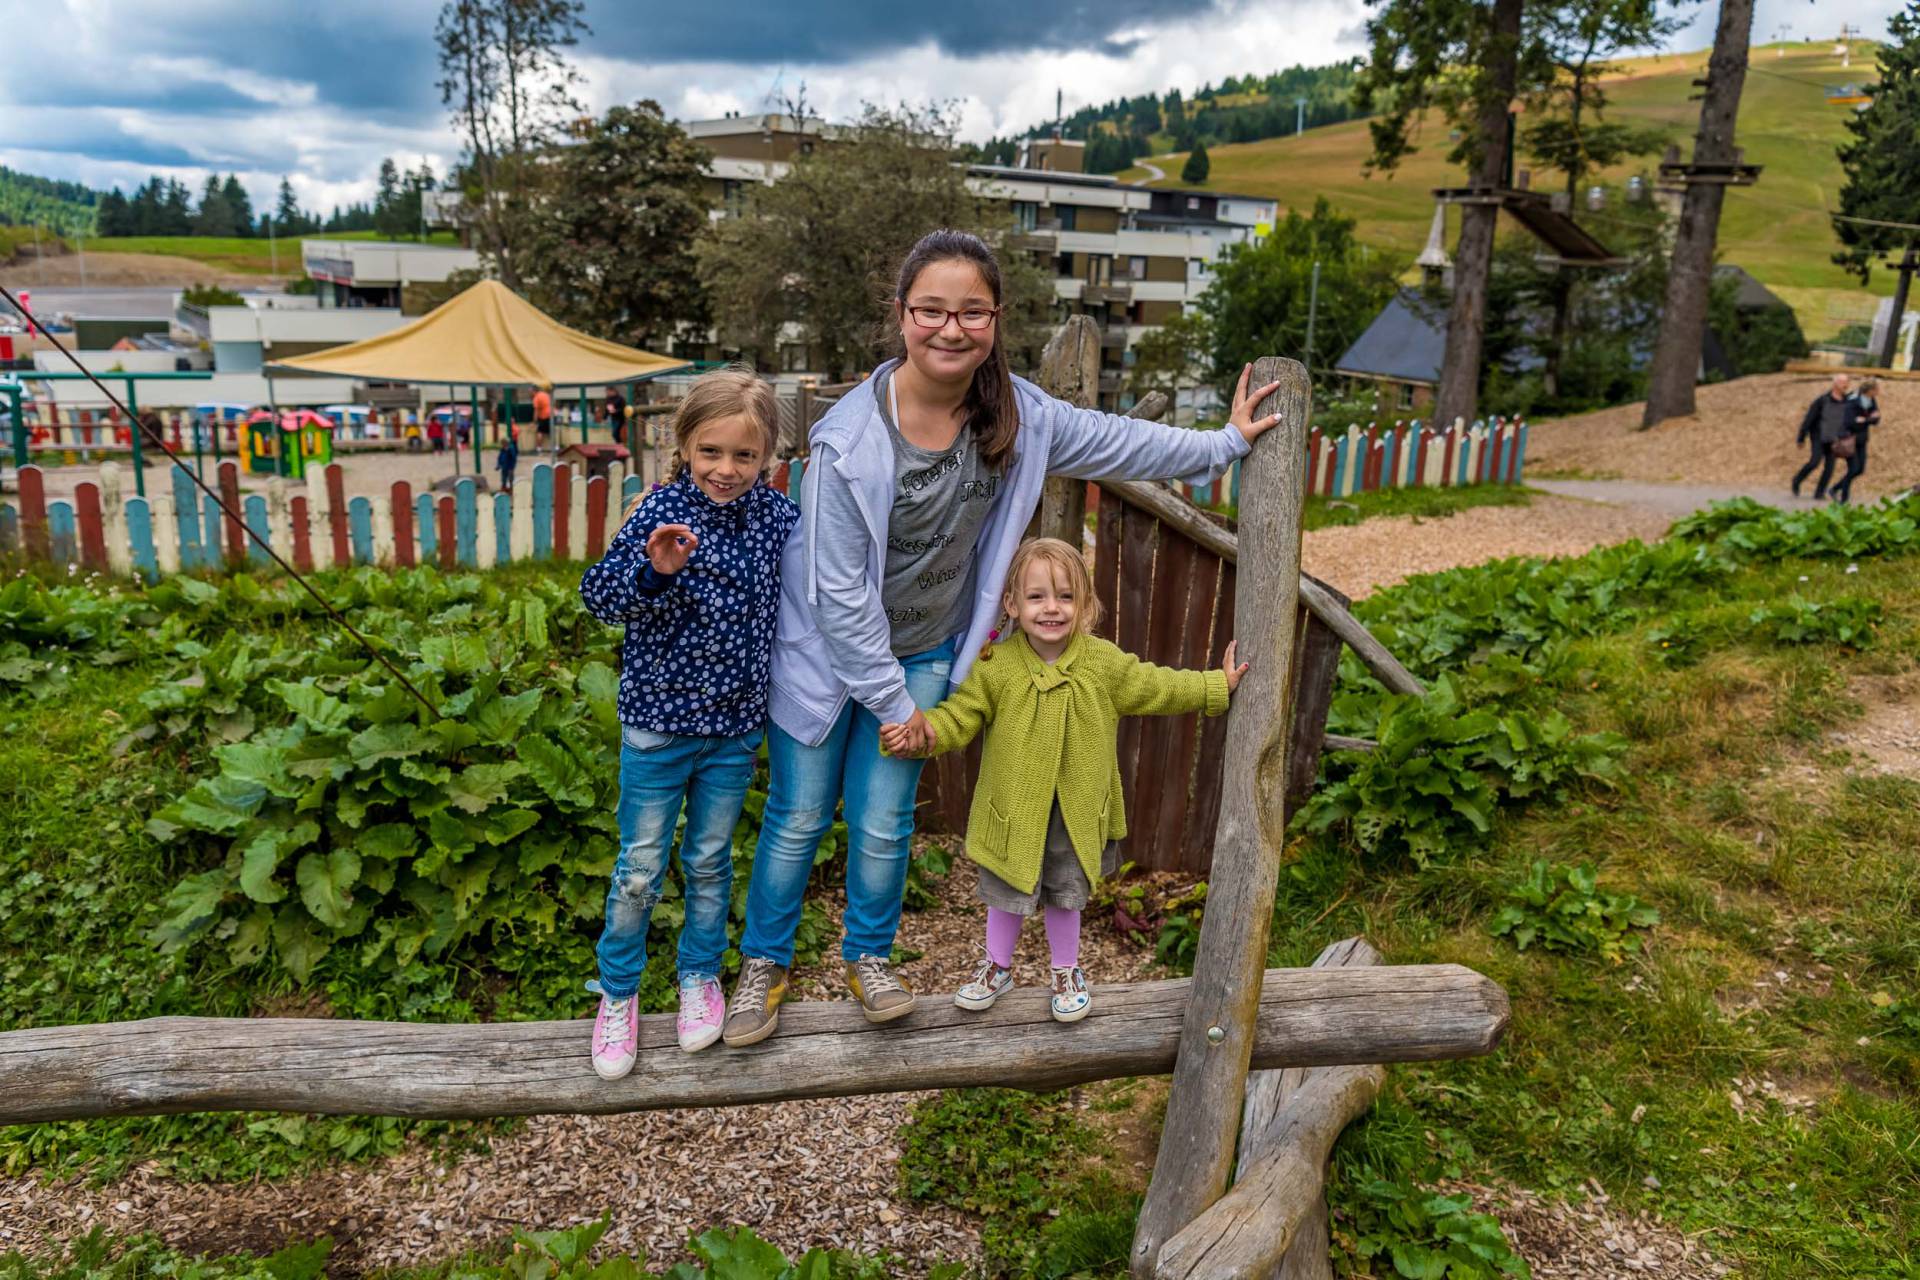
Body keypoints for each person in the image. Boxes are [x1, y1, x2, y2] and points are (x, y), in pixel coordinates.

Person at [721, 227, 1286, 1047]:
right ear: (903, 315)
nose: (951, 329)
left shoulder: (1020, 415)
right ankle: (763, 968)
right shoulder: (850, 438)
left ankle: (870, 959)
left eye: (972, 312)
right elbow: (840, 597)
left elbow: (1121, 441)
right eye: (932, 311)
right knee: (801, 815)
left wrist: (1226, 444)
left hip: (919, 651)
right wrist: (890, 704)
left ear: (995, 318)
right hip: (825, 656)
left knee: (884, 820)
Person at [879, 538, 1244, 1022]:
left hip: (1074, 808)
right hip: (1013, 810)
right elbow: (959, 718)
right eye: (1036, 597)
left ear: (1086, 604)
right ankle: (997, 966)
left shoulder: (1102, 663)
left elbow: (1158, 685)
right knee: (1005, 893)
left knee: (1066, 894)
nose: (1052, 608)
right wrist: (918, 733)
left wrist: (1214, 685)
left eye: (1066, 596)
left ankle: (1066, 970)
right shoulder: (997, 667)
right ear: (1011, 604)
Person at [577, 366, 799, 1079]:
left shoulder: (777, 518)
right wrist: (654, 570)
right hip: (657, 729)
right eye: (711, 452)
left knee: (709, 862)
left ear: (769, 457)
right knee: (639, 869)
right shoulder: (660, 511)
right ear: (684, 446)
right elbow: (600, 599)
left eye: (743, 455)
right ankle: (618, 994)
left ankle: (700, 976)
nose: (726, 469)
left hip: (733, 731)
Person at [1793, 372, 1858, 501]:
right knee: (1814, 462)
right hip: (1819, 437)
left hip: (1835, 439)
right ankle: (1797, 480)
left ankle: (1819, 492)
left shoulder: (1847, 402)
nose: (1845, 385)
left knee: (1829, 467)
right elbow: (1809, 418)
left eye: (1847, 383)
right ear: (1835, 384)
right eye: (1842, 382)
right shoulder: (1822, 400)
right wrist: (1801, 437)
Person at [1831, 376, 1878, 505]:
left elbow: (1876, 419)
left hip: (1862, 439)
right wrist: (1868, 419)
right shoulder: (1852, 401)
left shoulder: (1871, 400)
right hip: (1849, 439)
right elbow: (1850, 422)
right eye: (1876, 389)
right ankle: (1843, 499)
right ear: (1869, 390)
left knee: (1860, 469)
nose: (1878, 391)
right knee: (1853, 468)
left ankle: (1835, 488)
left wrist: (1865, 419)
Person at [497, 426, 519, 493]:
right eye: (502, 444)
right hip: (504, 466)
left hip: (510, 466)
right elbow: (499, 457)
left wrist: (509, 451)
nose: (503, 445)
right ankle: (504, 486)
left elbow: (513, 457)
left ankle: (511, 487)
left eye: (504, 443)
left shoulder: (511, 449)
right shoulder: (502, 450)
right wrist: (498, 464)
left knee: (510, 477)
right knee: (503, 477)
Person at [533, 382, 554, 451]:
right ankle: (555, 447)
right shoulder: (546, 395)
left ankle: (539, 448)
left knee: (540, 432)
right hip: (551, 415)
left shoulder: (536, 397)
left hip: (543, 416)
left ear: (534, 391)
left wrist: (535, 420)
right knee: (551, 431)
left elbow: (536, 410)